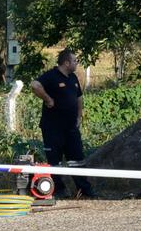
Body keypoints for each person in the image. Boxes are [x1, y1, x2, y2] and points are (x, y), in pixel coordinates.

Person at [30, 48, 96, 199]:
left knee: (77, 159)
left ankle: (85, 191)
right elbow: (35, 85)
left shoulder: (73, 78)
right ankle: (58, 190)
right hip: (53, 128)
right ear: (66, 63)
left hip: (71, 128)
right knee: (54, 162)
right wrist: (48, 99)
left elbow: (79, 97)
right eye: (75, 61)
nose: (76, 63)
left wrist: (79, 116)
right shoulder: (51, 76)